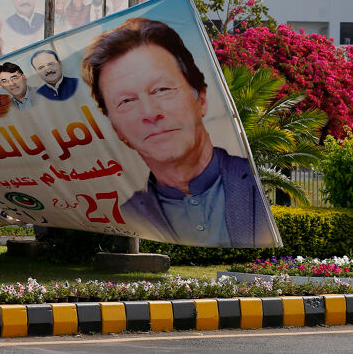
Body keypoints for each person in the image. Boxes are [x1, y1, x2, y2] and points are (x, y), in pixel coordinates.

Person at [81, 17, 275, 248]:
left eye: (162, 89)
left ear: (201, 98)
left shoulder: (253, 187)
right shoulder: (127, 214)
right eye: (126, 101)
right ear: (117, 129)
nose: (150, 113)